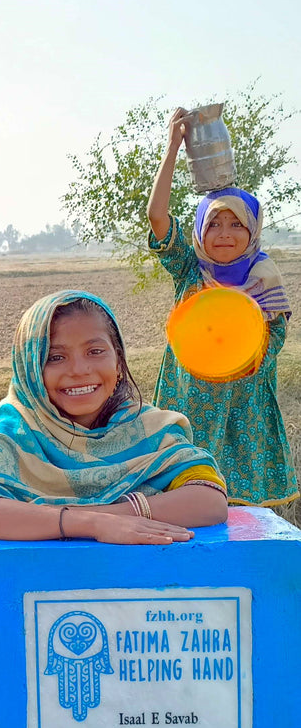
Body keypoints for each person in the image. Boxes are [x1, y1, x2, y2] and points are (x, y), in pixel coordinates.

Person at [0, 290, 228, 543]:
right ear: (30, 371)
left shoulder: (151, 430)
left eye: (95, 352)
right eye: (55, 357)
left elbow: (209, 499)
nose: (78, 369)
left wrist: (115, 516)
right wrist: (92, 524)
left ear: (119, 362)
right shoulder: (16, 436)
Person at [146, 108, 297, 506]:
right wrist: (172, 148)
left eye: (236, 224)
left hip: (243, 416)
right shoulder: (188, 270)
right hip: (186, 412)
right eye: (213, 224)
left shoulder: (265, 280)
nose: (224, 234)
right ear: (199, 231)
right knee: (179, 508)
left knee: (242, 522)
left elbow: (272, 343)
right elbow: (156, 216)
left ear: (253, 232)